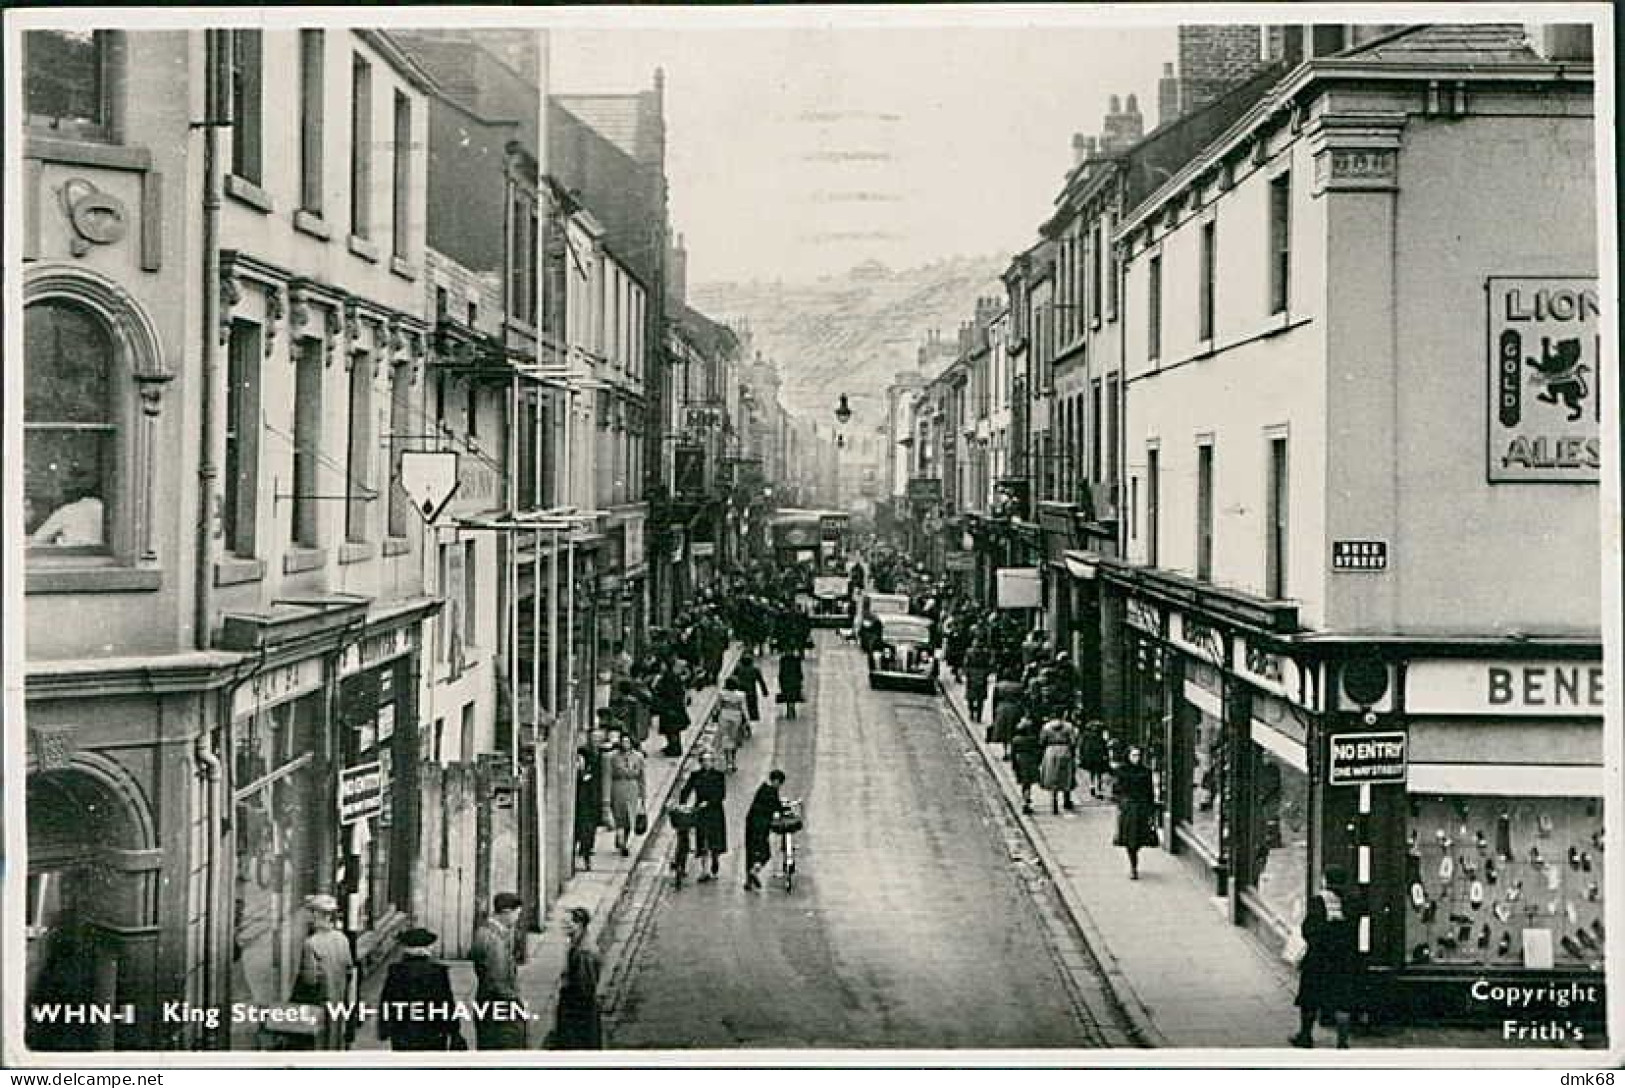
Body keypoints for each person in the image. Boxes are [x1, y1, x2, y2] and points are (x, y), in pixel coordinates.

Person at [1291, 865, 1361, 1049]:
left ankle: (1305, 1035)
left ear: (1326, 880)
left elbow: (1309, 929)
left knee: (1310, 998)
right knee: (1342, 1000)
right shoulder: (1352, 902)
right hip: (1343, 959)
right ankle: (1342, 1041)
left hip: (1318, 958)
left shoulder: (1317, 901)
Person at [377, 927, 466, 1051]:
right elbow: (447, 1004)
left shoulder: (396, 971)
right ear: (427, 948)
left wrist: (384, 1029)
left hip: (403, 1035)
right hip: (433, 1034)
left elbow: (387, 1001)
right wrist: (453, 1030)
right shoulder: (438, 972)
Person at [291, 894, 354, 1050]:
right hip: (338, 1001)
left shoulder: (311, 943)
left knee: (319, 1043)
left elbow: (310, 979)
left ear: (317, 915)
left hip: (319, 1002)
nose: (309, 918)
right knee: (335, 1040)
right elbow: (349, 970)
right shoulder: (342, 939)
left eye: (311, 913)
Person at [469, 892, 527, 1049]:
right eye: (517, 914)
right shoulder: (495, 940)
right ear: (507, 912)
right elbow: (499, 981)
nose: (517, 919)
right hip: (500, 1007)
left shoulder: (483, 932)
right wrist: (516, 1003)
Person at [551, 907, 603, 1049]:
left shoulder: (584, 952)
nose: (563, 926)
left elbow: (584, 988)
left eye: (568, 923)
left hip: (578, 1014)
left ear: (579, 924)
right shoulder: (578, 943)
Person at [679, 750, 728, 883]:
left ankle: (715, 859)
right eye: (704, 760)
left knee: (715, 840)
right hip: (701, 811)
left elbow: (722, 794)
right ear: (701, 762)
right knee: (703, 840)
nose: (707, 763)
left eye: (709, 760)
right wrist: (682, 804)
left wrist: (710, 802)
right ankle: (704, 870)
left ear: (713, 762)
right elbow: (686, 790)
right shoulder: (695, 775)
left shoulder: (719, 776)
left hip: (715, 811)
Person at [1113, 745, 1159, 880]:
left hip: (1142, 808)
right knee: (1130, 839)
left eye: (1138, 755)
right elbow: (1117, 790)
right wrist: (1121, 802)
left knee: (1139, 838)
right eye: (1133, 755)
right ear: (1128, 756)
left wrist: (1151, 809)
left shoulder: (1145, 772)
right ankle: (1133, 866)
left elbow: (1149, 791)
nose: (1136, 758)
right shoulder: (1122, 771)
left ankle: (1134, 856)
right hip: (1129, 807)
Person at [743, 769, 791, 890]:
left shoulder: (762, 788)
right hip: (760, 827)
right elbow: (776, 807)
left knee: (751, 852)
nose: (779, 786)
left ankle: (748, 881)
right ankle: (754, 871)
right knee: (765, 853)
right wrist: (786, 810)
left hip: (750, 824)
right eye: (779, 783)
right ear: (776, 781)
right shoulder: (771, 791)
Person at [607, 732, 647, 857]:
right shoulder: (613, 757)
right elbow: (609, 776)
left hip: (633, 788)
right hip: (618, 788)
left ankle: (625, 841)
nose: (625, 744)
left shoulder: (638, 757)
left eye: (628, 742)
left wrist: (643, 796)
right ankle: (621, 840)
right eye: (623, 742)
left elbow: (642, 778)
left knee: (631, 817)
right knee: (620, 816)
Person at [1038, 716, 1079, 815]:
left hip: (1051, 751)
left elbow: (1042, 741)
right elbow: (1073, 741)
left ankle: (1054, 802)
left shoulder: (1046, 727)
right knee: (1066, 776)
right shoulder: (1068, 727)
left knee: (1053, 776)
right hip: (1065, 750)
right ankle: (1066, 800)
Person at [653, 661, 690, 757]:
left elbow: (667, 692)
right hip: (674, 707)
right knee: (673, 730)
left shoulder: (669, 678)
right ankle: (673, 747)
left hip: (670, 708)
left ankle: (674, 748)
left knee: (672, 730)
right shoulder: (672, 677)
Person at [1010, 717, 1044, 815]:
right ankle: (1026, 801)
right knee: (1028, 783)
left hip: (1020, 760)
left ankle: (1025, 800)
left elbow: (1012, 754)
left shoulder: (1016, 740)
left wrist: (1014, 765)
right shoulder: (1032, 739)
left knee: (1024, 783)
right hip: (1031, 760)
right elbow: (1039, 751)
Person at [715, 678, 748, 774]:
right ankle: (732, 762)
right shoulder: (741, 695)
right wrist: (746, 722)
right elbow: (743, 709)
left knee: (725, 739)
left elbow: (718, 707)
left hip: (724, 717)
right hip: (736, 718)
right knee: (734, 740)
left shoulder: (721, 694)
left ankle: (727, 762)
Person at [733, 654, 770, 726]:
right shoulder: (755, 669)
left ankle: (742, 722)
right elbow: (761, 681)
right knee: (751, 708)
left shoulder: (738, 669)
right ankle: (749, 722)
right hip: (751, 692)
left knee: (740, 708)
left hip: (740, 691)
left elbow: (733, 680)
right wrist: (764, 691)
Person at [1078, 722, 1111, 800]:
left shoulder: (1086, 736)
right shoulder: (1100, 736)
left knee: (1092, 772)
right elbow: (1104, 746)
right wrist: (1106, 755)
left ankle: (1092, 786)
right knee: (1098, 773)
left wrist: (1081, 755)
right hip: (1098, 756)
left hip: (1090, 756)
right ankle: (1098, 788)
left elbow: (1082, 746)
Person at [963, 639, 993, 723]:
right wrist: (986, 674)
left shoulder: (969, 652)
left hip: (972, 677)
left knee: (971, 698)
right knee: (980, 699)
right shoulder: (986, 653)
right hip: (981, 677)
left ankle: (972, 713)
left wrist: (967, 673)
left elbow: (965, 664)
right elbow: (990, 665)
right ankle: (978, 716)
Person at [777, 648, 804, 720]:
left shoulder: (784, 660)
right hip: (790, 680)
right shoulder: (792, 660)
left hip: (789, 680)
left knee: (789, 694)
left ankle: (790, 707)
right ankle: (791, 706)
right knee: (791, 694)